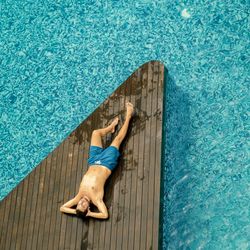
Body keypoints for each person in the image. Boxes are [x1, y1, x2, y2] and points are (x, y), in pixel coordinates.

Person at [60, 101, 134, 219]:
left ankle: (110, 128)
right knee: (118, 139)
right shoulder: (96, 199)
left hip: (93, 160)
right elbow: (105, 215)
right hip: (106, 163)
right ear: (88, 208)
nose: (81, 203)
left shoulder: (78, 197)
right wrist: (89, 214)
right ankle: (129, 115)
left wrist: (78, 211)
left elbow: (62, 208)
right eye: (83, 206)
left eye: (78, 205)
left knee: (96, 133)